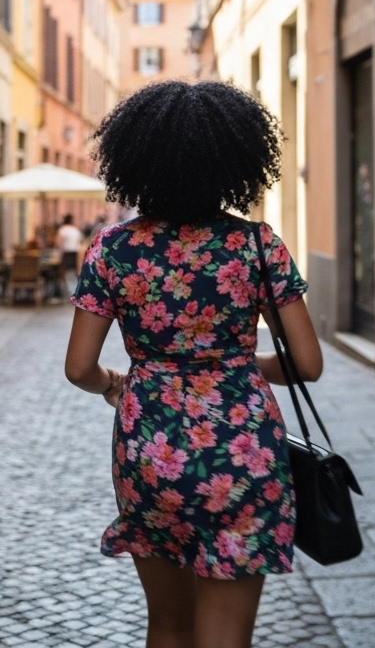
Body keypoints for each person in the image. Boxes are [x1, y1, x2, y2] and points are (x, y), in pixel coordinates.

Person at [63, 80, 324, 648]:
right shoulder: (258, 245)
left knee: (168, 625)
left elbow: (79, 367)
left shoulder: (112, 249)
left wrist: (116, 382)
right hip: (243, 448)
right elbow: (306, 363)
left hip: (149, 446)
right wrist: (234, 366)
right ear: (235, 160)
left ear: (136, 161)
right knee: (225, 637)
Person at [56, 213, 83, 298]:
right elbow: (80, 242)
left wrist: (60, 254)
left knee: (66, 272)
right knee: (75, 272)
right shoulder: (75, 230)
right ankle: (75, 289)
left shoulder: (62, 230)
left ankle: (68, 290)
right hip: (75, 253)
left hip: (66, 253)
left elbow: (58, 243)